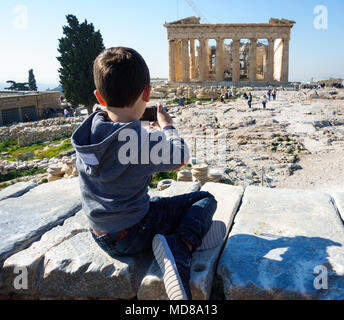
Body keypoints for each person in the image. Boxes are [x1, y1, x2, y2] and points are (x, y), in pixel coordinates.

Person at [71, 47, 220, 301]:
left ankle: (170, 238)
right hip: (133, 233)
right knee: (205, 199)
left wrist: (133, 117)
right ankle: (180, 246)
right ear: (147, 93)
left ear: (99, 97)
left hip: (101, 234)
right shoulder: (140, 143)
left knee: (153, 202)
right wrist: (167, 125)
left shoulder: (88, 132)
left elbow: (116, 126)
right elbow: (180, 157)